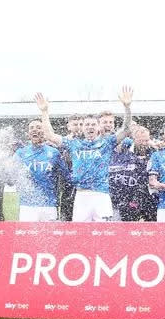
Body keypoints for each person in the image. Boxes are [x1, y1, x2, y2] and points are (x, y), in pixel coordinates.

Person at [36, 86, 134, 222]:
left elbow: (126, 129)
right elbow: (49, 135)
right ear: (82, 128)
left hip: (102, 195)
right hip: (81, 195)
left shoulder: (107, 142)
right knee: (80, 236)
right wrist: (44, 112)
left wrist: (127, 107)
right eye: (87, 125)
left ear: (99, 127)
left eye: (93, 124)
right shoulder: (74, 144)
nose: (90, 127)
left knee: (106, 235)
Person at [13, 121, 68, 222]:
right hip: (27, 205)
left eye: (38, 127)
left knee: (50, 236)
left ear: (44, 132)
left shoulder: (54, 153)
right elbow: (12, 175)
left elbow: (65, 175)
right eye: (32, 128)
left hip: (49, 204)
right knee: (27, 236)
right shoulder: (21, 153)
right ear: (28, 134)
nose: (35, 129)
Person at [110, 124, 157, 221]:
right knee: (128, 229)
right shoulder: (124, 152)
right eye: (141, 140)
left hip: (150, 199)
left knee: (152, 229)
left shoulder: (155, 153)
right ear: (134, 139)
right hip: (129, 199)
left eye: (146, 140)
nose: (144, 143)